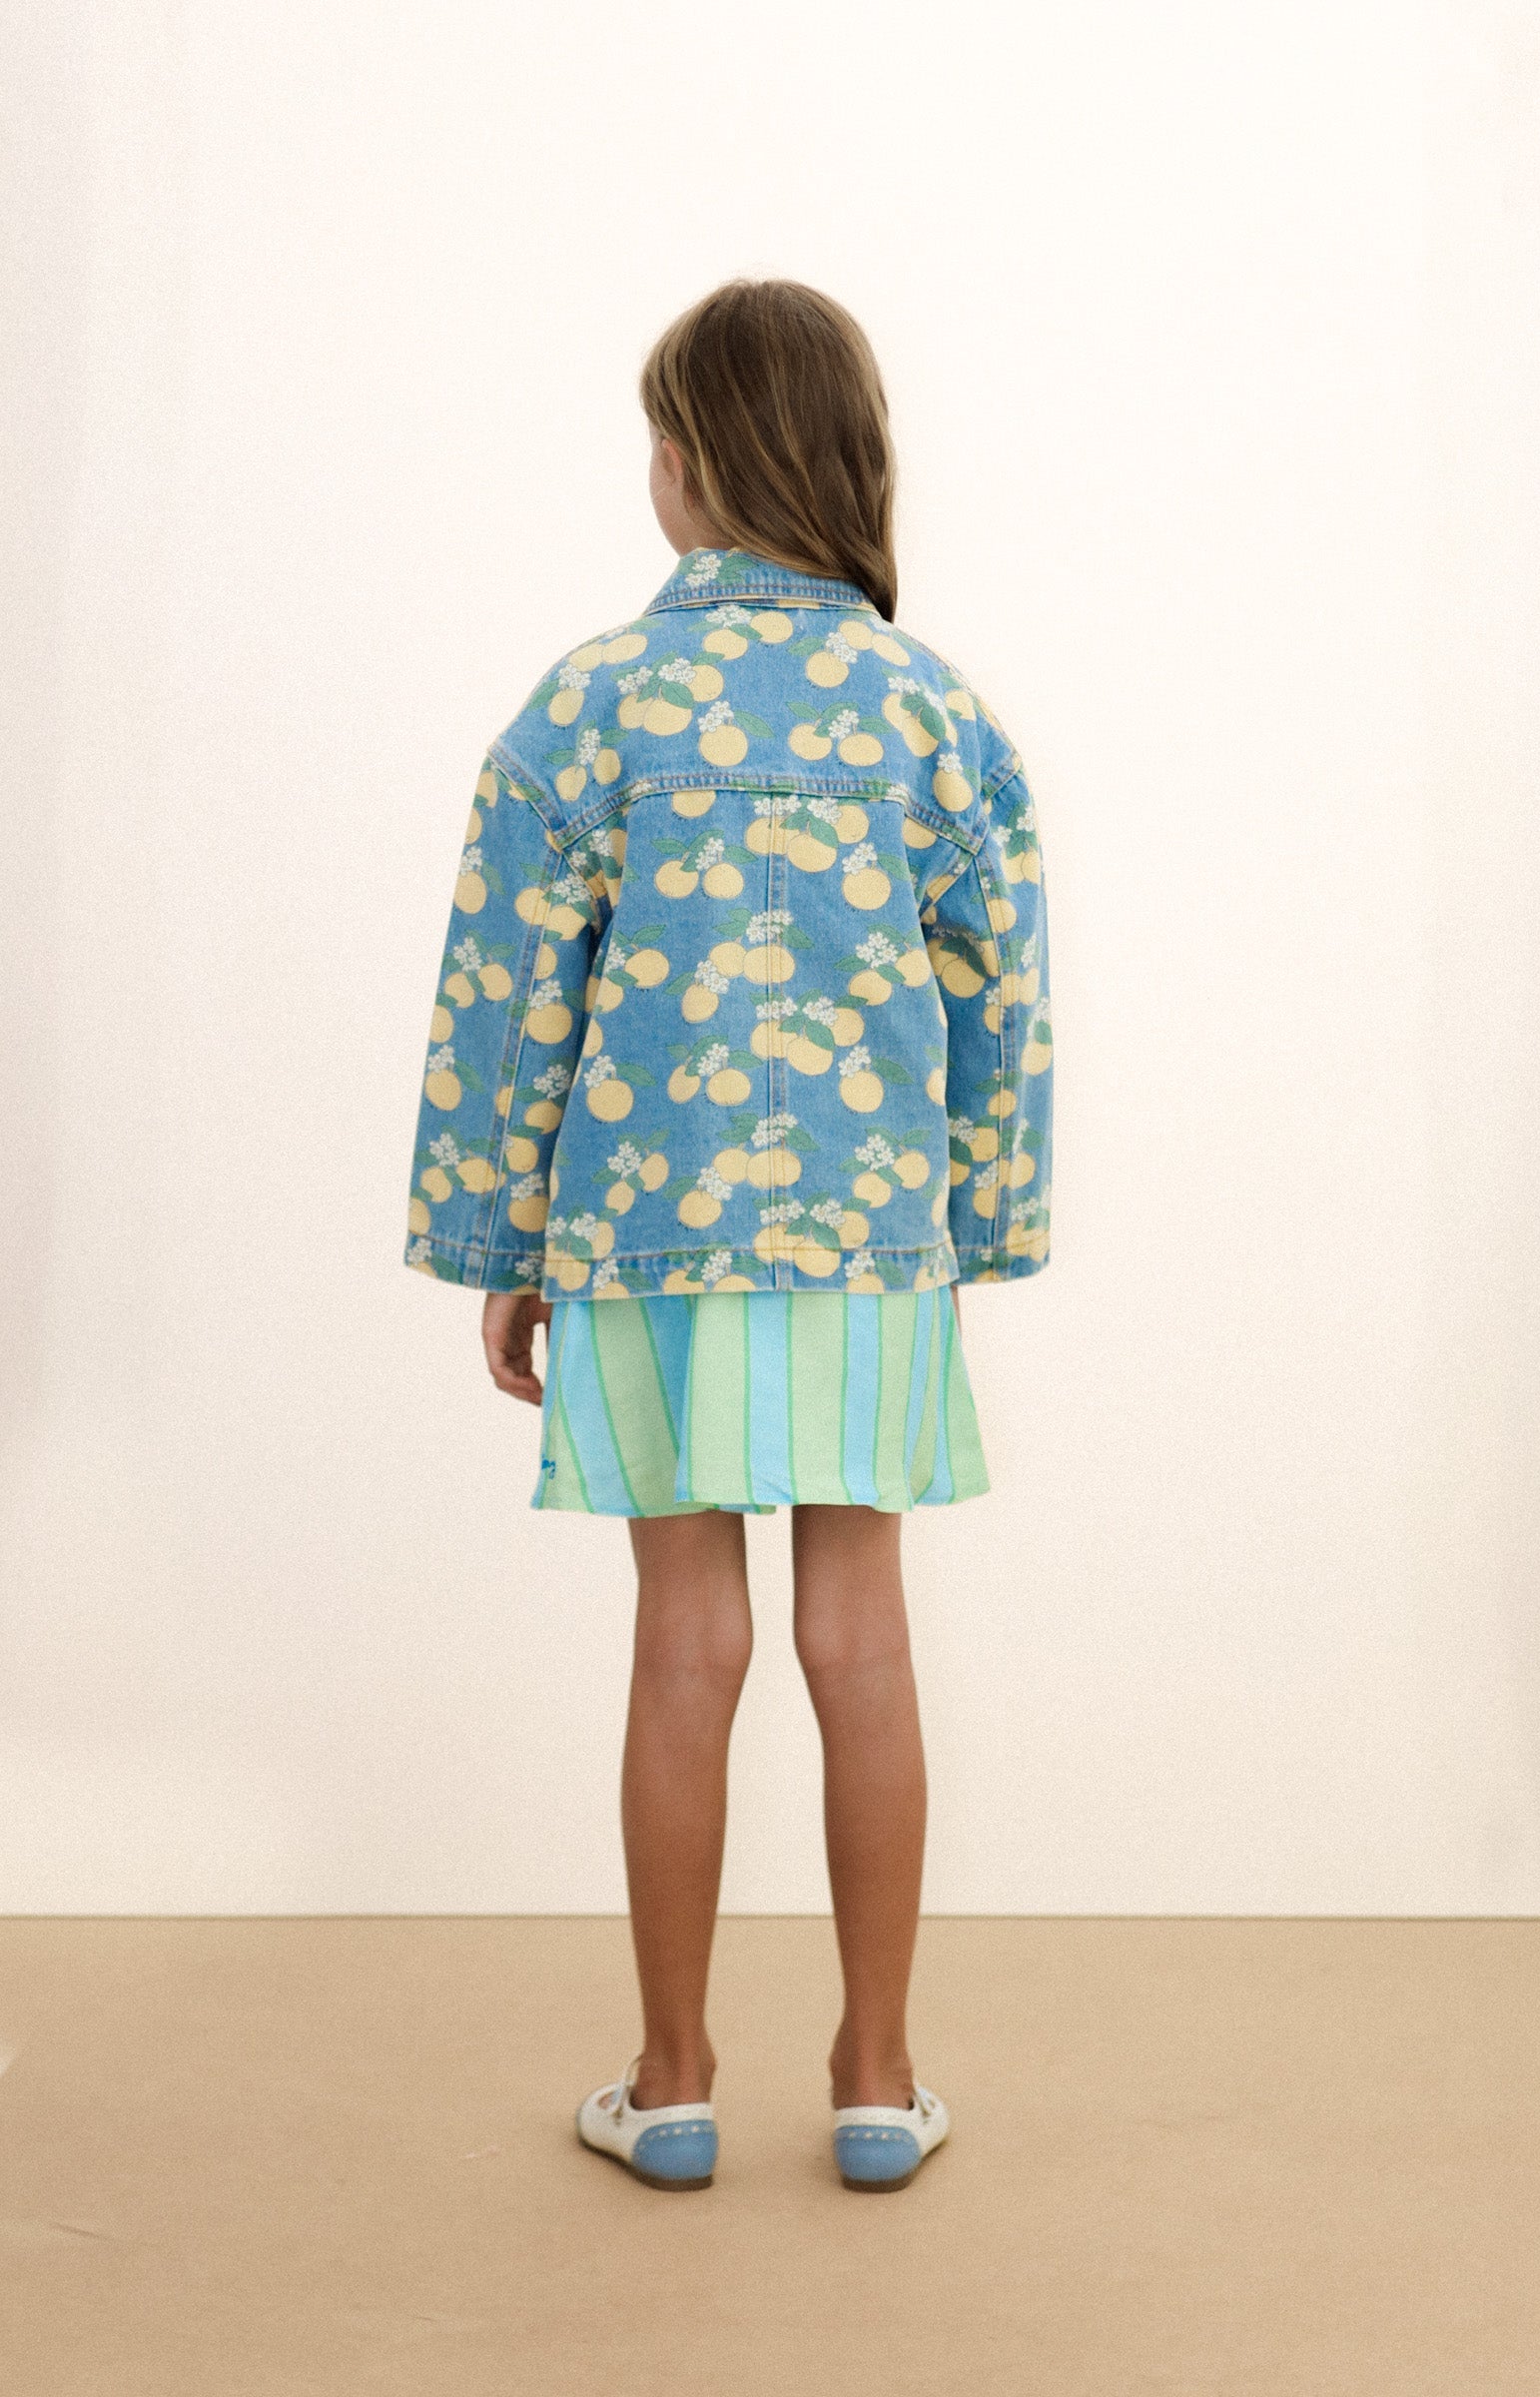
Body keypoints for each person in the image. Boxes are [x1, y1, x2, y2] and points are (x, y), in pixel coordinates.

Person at [403, 278, 1052, 2193]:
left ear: (690, 464)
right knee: (862, 1639)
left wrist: (503, 1237)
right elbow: (1001, 997)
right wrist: (977, 1225)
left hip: (641, 1236)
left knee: (685, 1644)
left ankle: (673, 2079)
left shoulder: (588, 705)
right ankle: (878, 2079)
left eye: (658, 440)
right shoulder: (932, 713)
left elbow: (508, 995)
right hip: (866, 1245)